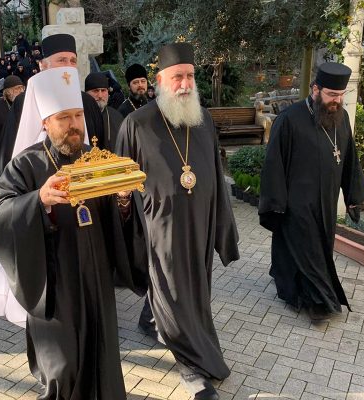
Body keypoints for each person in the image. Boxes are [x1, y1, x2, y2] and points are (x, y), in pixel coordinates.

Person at [0, 66, 148, 399]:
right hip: (55, 284)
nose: (74, 125)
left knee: (101, 356)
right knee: (62, 367)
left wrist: (124, 202)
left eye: (77, 116)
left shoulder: (97, 159)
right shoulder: (25, 165)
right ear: (45, 122)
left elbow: (120, 218)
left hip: (97, 279)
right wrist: (38, 201)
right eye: (63, 118)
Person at [117, 42, 240, 400]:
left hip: (199, 228)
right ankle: (194, 370)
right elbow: (119, 185)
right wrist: (122, 205)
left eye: (189, 76)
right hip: (161, 231)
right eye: (177, 77)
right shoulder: (136, 124)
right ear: (159, 81)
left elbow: (216, 177)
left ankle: (150, 318)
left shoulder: (202, 122)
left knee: (195, 293)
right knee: (173, 293)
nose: (185, 83)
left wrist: (223, 229)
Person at [259, 62, 364, 321]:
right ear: (315, 89)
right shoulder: (289, 120)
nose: (337, 100)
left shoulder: (340, 118)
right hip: (297, 204)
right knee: (307, 251)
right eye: (332, 95)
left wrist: (352, 198)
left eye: (341, 95)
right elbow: (273, 164)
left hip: (327, 202)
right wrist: (275, 203)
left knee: (320, 249)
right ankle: (318, 303)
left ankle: (294, 290)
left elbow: (349, 158)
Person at [0, 33, 105, 177]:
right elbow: (9, 151)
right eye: (61, 60)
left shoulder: (87, 102)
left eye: (73, 61)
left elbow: (99, 146)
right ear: (43, 65)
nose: (68, 67)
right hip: (36, 181)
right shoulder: (23, 103)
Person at [85, 72, 124, 149]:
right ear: (86, 93)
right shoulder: (79, 116)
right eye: (95, 91)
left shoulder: (117, 116)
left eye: (103, 91)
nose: (100, 96)